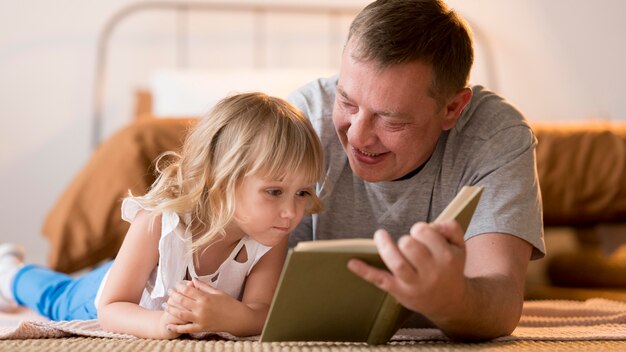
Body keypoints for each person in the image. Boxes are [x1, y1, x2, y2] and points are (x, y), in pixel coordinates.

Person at [283, 0, 545, 340]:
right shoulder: (301, 121)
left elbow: (502, 299)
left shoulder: (495, 136)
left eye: (390, 119)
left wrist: (451, 301)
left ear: (452, 108)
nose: (357, 136)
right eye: (346, 101)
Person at [0, 92, 325, 339]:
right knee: (56, 297)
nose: (291, 212)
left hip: (143, 280)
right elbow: (111, 308)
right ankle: (10, 272)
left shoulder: (270, 234)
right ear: (220, 177)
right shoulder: (159, 222)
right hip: (110, 293)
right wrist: (161, 324)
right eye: (274, 191)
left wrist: (232, 317)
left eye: (303, 193)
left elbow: (262, 313)